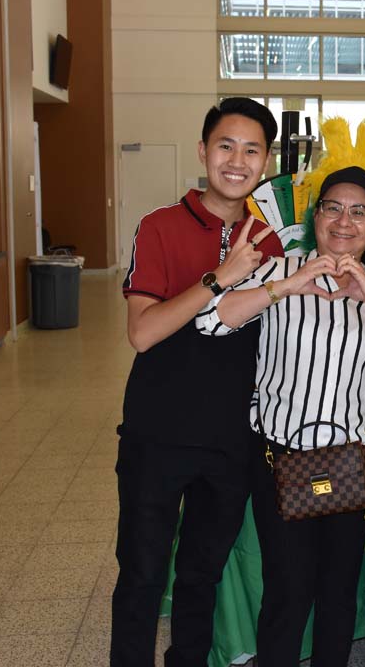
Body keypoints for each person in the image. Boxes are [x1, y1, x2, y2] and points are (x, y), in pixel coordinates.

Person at [196, 166, 365, 667]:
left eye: (359, 212)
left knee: (337, 594)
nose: (344, 221)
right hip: (279, 462)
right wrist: (289, 286)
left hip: (347, 465)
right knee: (287, 592)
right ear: (316, 215)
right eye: (333, 207)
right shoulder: (279, 268)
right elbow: (209, 321)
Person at [113, 98, 284, 667]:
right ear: (203, 152)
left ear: (267, 160)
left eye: (252, 149)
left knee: (202, 575)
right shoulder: (160, 227)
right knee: (141, 572)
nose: (237, 160)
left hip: (233, 439)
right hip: (157, 433)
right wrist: (220, 278)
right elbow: (142, 333)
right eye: (226, 146)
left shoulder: (271, 241)